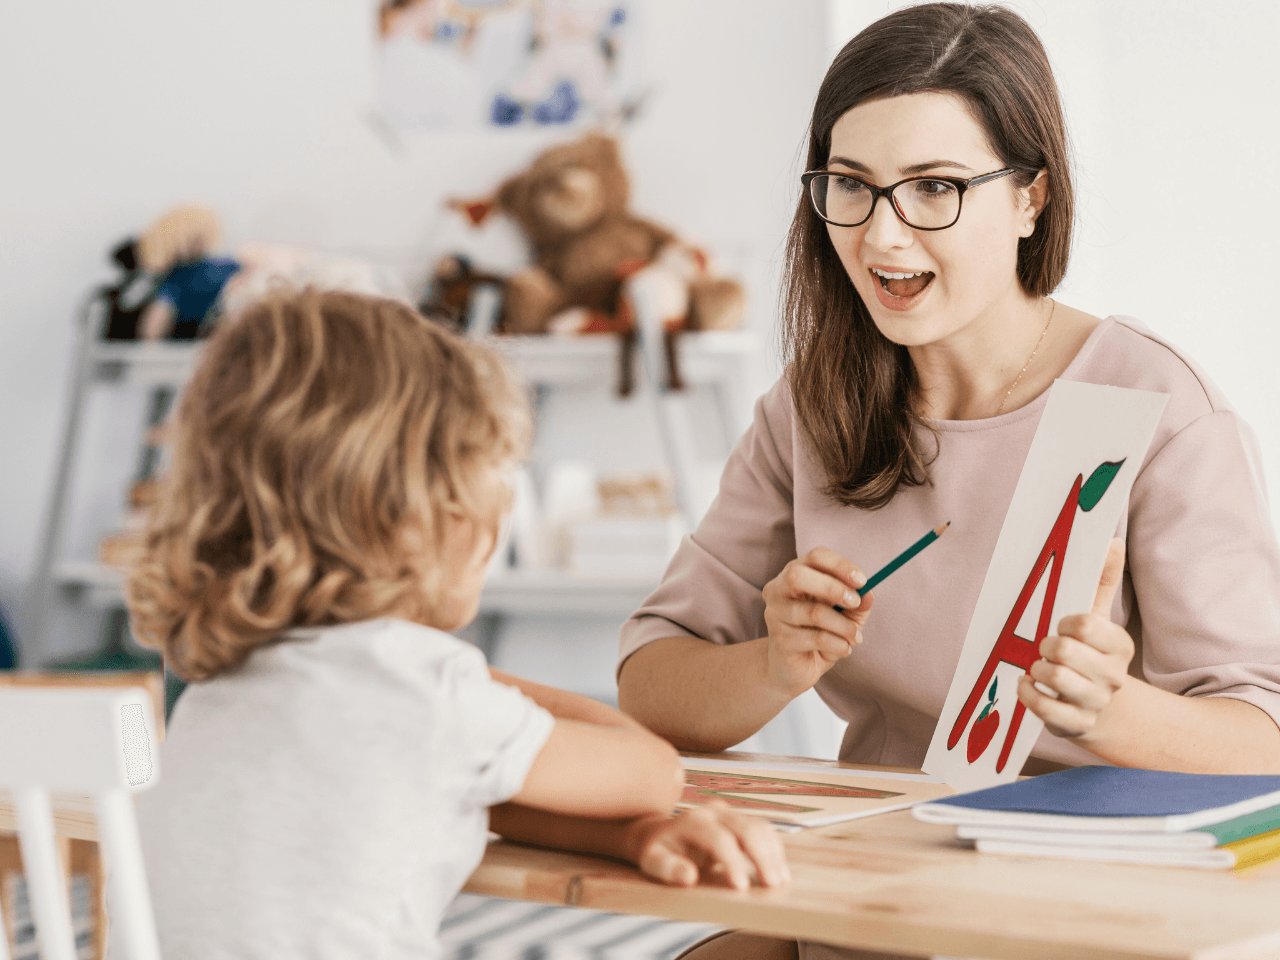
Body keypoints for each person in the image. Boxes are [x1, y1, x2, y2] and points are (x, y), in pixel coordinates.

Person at [618, 5, 1280, 958]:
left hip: (1078, 914)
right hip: (874, 895)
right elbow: (653, 686)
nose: (883, 237)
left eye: (934, 188)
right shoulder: (814, 403)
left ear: (1030, 199)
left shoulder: (1160, 409)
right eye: (852, 185)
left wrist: (1115, 712)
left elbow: (1262, 738)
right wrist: (771, 665)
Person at [127, 289, 788, 960]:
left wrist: (628, 838)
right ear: (430, 521)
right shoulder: (428, 692)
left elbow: (467, 791)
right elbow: (654, 773)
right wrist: (467, 676)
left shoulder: (217, 690)